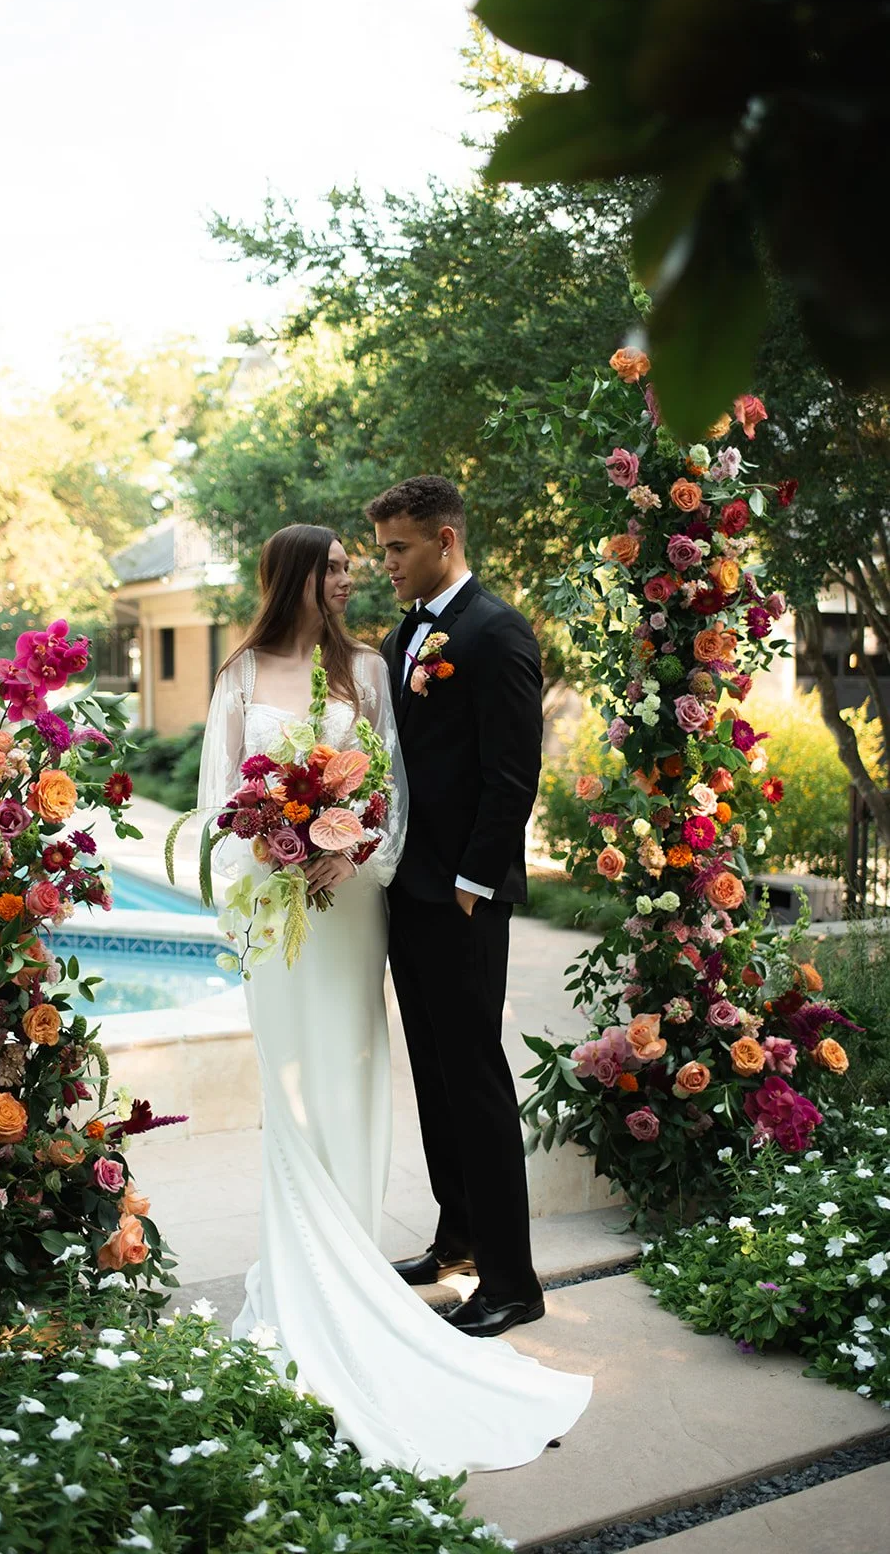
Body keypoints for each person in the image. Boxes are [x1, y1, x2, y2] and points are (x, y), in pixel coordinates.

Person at [196, 521, 591, 1475]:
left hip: (347, 909)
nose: (352, 577)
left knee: (353, 1073)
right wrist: (269, 859)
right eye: (333, 566)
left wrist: (348, 855)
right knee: (293, 1095)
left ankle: (370, 1251)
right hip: (277, 918)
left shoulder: (370, 671)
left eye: (358, 561)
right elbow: (219, 799)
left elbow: (394, 793)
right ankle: (308, 1265)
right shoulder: (239, 675)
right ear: (292, 575)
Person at [369, 474, 545, 1338]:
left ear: (445, 539)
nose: (387, 566)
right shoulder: (408, 631)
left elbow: (512, 776)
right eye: (382, 552)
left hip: (464, 899)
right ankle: (456, 1245)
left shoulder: (498, 631)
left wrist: (474, 886)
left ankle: (514, 1281)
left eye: (398, 549)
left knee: (475, 1083)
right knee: (436, 1076)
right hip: (410, 887)